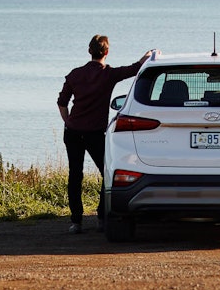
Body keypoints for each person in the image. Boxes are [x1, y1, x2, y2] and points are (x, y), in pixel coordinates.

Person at [57, 35, 154, 234]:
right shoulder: (108, 74)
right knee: (106, 174)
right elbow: (134, 69)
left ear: (89, 51)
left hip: (73, 132)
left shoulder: (75, 74)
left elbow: (62, 102)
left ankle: (76, 222)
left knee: (75, 176)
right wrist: (150, 56)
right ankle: (101, 217)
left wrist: (68, 121)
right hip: (94, 133)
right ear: (107, 52)